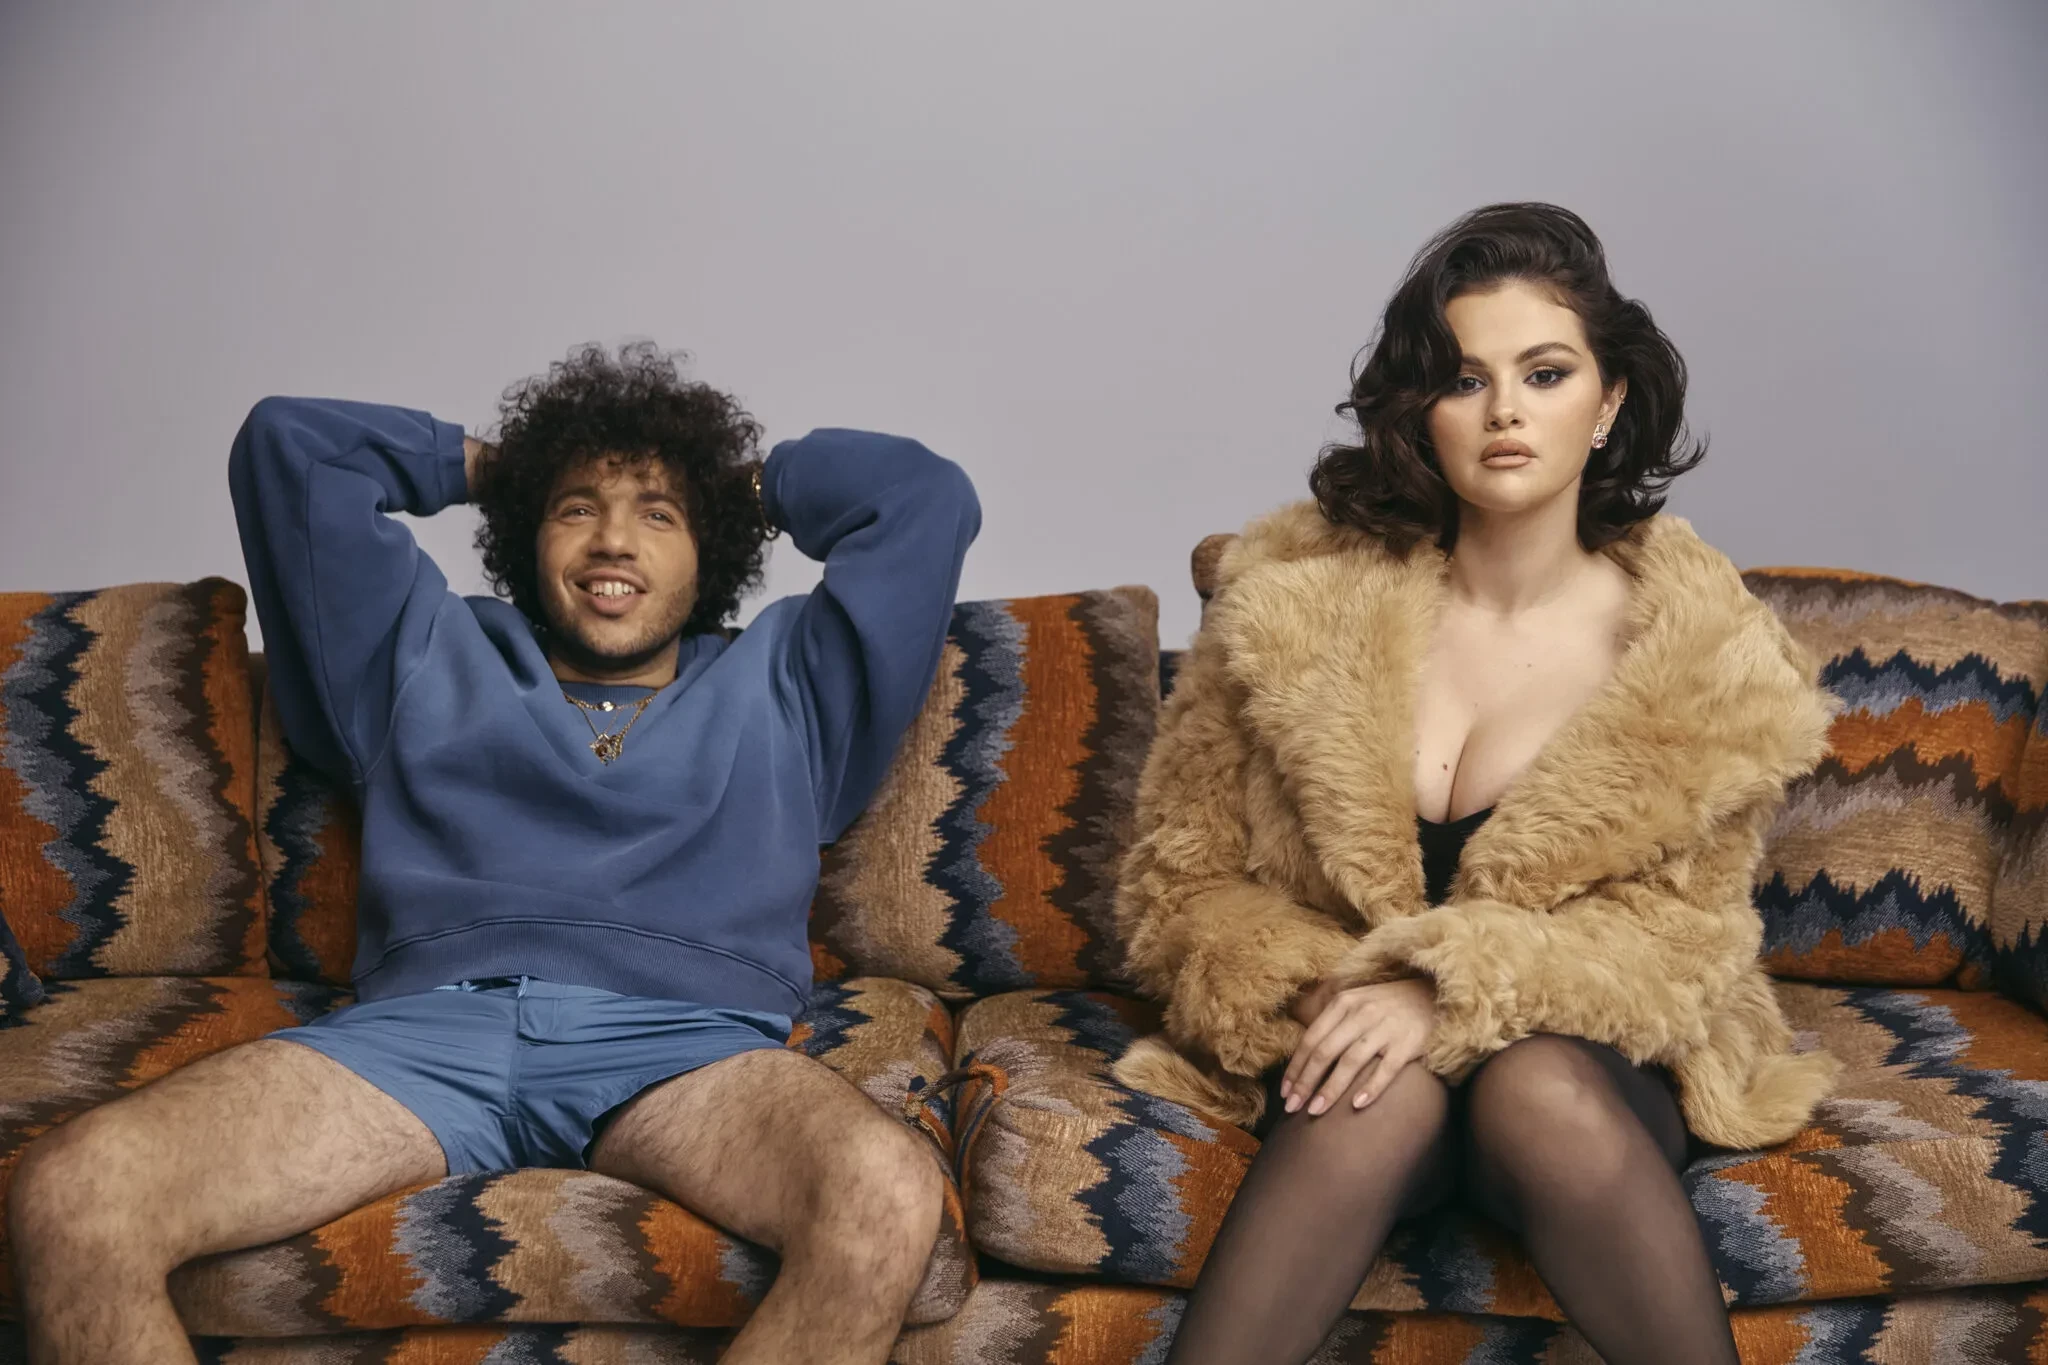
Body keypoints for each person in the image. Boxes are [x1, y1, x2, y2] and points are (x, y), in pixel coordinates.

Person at [9, 342, 981, 1365]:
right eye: (576, 507)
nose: (614, 540)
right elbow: (292, 447)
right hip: (418, 1042)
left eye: (659, 515)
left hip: (687, 1052)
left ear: (714, 550)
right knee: (76, 1195)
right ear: (527, 532)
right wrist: (504, 468)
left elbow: (922, 499)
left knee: (884, 1190)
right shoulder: (419, 647)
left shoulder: (793, 683)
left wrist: (732, 482)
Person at [1112, 204, 1839, 1364]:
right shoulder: (1287, 602)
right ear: (1422, 411)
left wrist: (1441, 987)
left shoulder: (1705, 661)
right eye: (1463, 380)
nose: (1504, 410)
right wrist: (1333, 994)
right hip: (1348, 1049)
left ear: (1606, 403)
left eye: (1543, 374)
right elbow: (1180, 885)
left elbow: (1676, 941)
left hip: (1586, 1059)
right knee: (1377, 1089)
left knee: (1533, 1088)